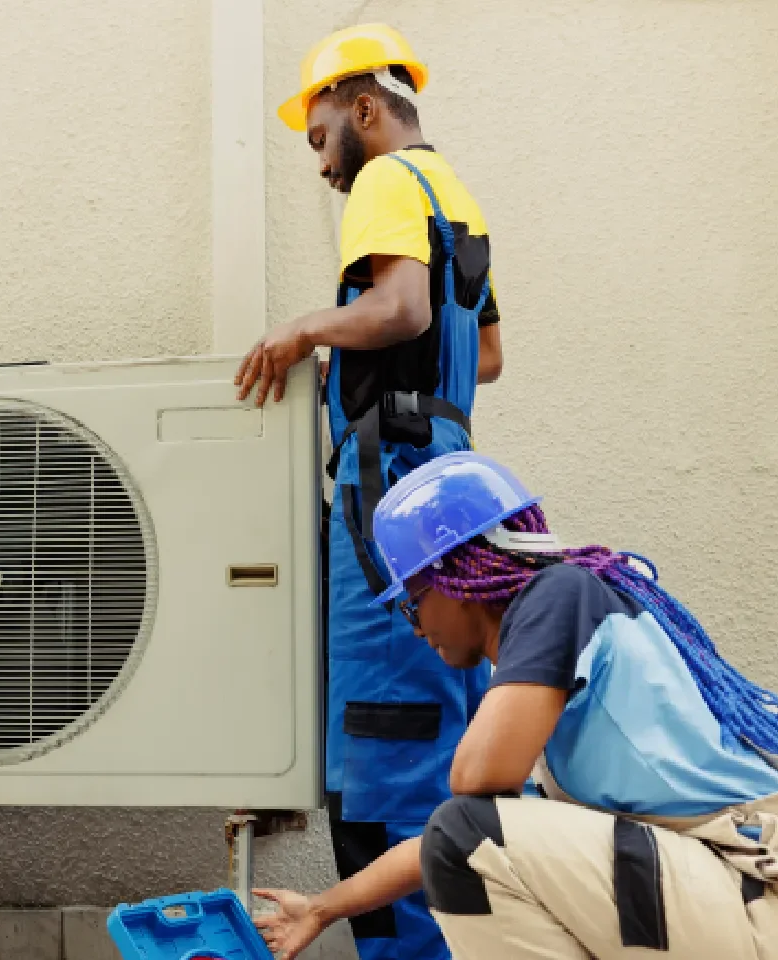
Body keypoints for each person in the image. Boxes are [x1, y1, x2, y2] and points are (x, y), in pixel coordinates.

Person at [254, 451, 778, 959]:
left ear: (455, 577)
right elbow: (446, 840)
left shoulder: (558, 595)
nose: (417, 627)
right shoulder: (563, 695)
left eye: (413, 603)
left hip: (768, 891)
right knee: (475, 837)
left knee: (470, 833)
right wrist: (322, 909)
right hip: (740, 886)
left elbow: (470, 795)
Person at [234, 23, 503, 960]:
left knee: (383, 750)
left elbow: (402, 310)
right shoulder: (454, 192)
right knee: (438, 733)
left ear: (364, 108)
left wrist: (304, 329)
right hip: (450, 479)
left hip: (390, 481)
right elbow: (490, 356)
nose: (320, 166)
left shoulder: (388, 178)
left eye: (318, 139)